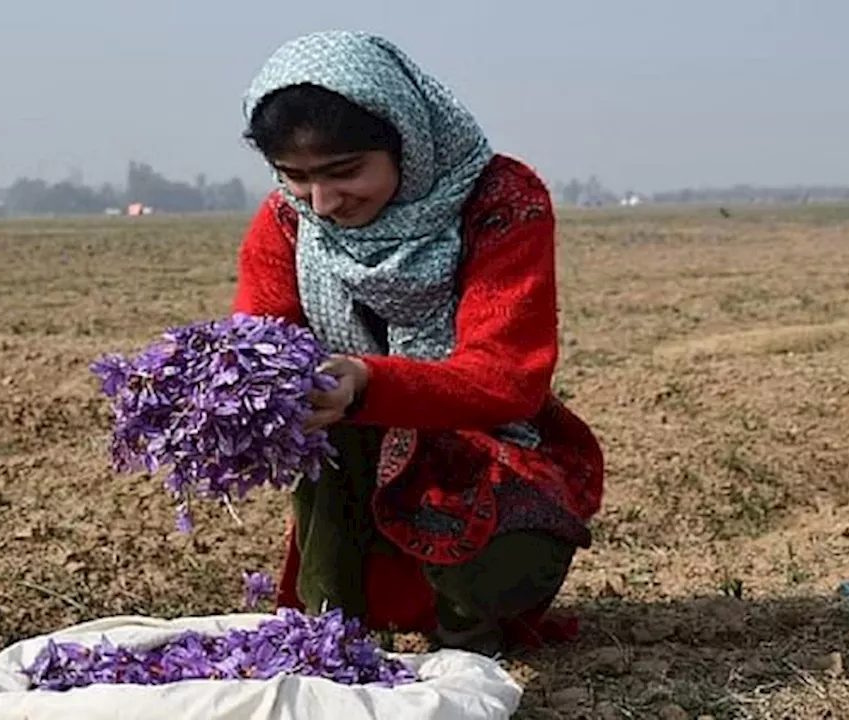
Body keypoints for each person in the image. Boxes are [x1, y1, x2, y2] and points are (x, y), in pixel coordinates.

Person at [231, 30, 605, 655]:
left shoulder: (498, 200)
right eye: (294, 177)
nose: (322, 202)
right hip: (349, 453)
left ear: (406, 137)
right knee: (314, 405)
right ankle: (328, 635)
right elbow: (262, 335)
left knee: (490, 575)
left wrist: (367, 383)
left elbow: (506, 377)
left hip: (480, 442)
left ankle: (468, 621)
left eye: (345, 172)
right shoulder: (287, 219)